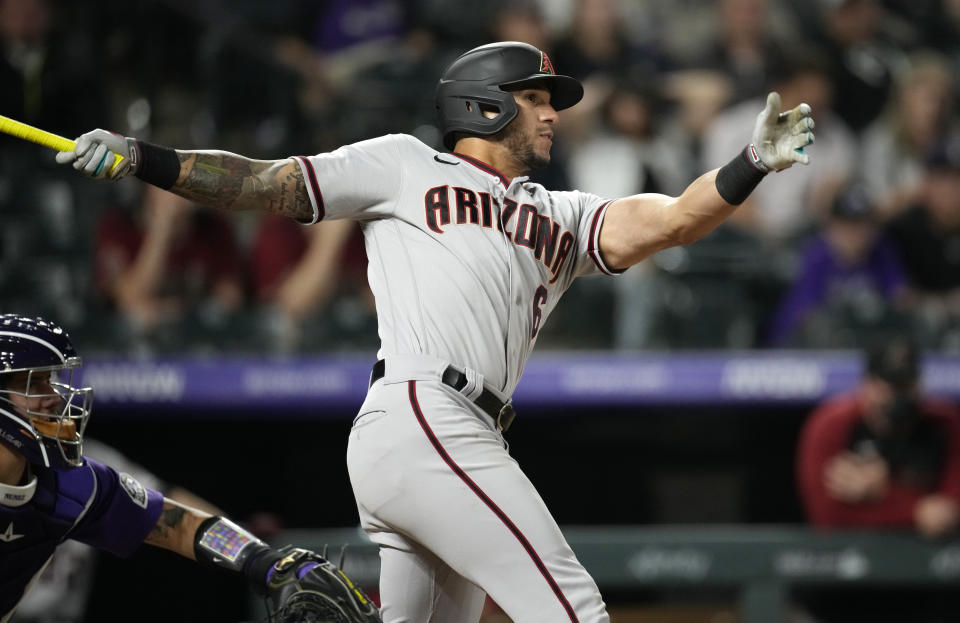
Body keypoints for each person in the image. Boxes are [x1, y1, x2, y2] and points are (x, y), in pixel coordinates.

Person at [54, 40, 814, 622]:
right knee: (574, 607)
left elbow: (677, 217)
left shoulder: (565, 215)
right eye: (536, 97)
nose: (553, 113)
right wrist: (144, 159)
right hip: (426, 413)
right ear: (485, 103)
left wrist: (749, 163)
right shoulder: (405, 165)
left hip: (450, 433)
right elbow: (265, 181)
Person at [0, 314, 379, 623]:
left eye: (50, 382)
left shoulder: (71, 483)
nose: (51, 398)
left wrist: (264, 562)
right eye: (31, 384)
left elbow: (181, 526)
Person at [796, 337, 960, 536]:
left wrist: (883, 492)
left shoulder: (946, 424)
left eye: (905, 385)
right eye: (889, 386)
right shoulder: (832, 425)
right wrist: (916, 511)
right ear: (867, 386)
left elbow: (947, 514)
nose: (898, 397)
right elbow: (828, 518)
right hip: (851, 555)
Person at [765, 184, 910, 347]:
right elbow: (802, 318)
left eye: (863, 225)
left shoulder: (880, 251)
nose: (857, 234)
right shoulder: (817, 256)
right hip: (813, 353)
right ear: (831, 226)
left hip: (867, 346)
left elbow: (902, 301)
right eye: (848, 226)